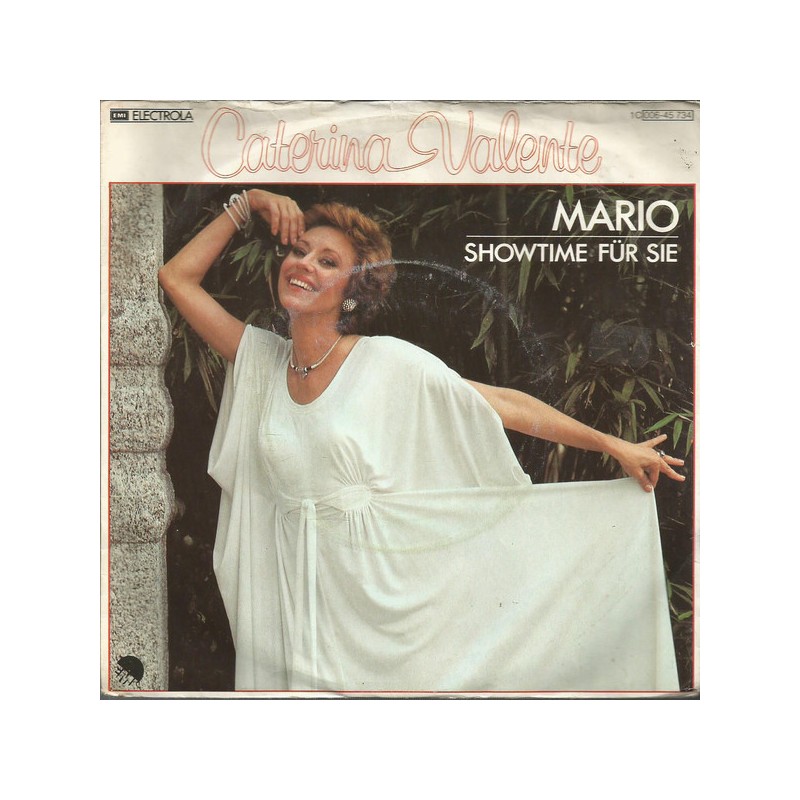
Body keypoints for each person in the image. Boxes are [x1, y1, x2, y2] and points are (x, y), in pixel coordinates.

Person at [159, 189, 686, 693]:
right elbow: (177, 278)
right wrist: (248, 204)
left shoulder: (384, 361)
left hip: (380, 604)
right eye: (300, 251)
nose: (305, 265)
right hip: (298, 599)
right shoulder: (263, 363)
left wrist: (611, 444)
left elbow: (499, 403)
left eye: (328, 262)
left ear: (352, 292)